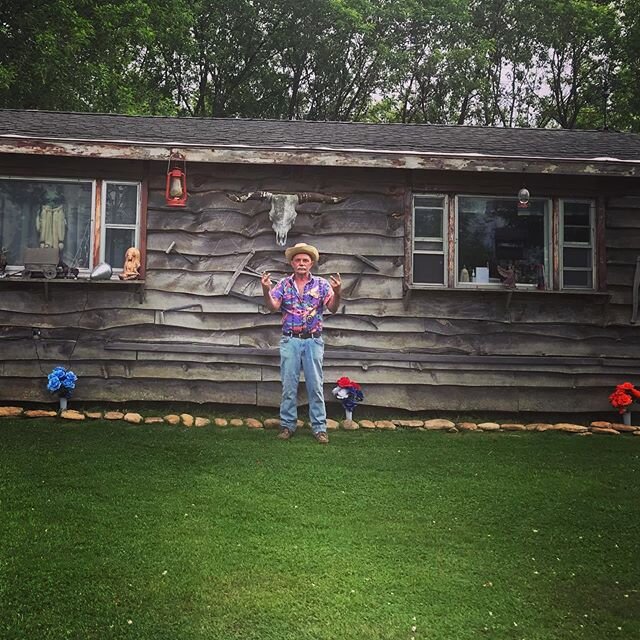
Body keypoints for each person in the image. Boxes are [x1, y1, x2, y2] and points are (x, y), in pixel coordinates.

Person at [261, 242, 341, 444]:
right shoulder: (283, 285)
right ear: (292, 263)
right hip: (290, 340)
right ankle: (287, 426)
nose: (301, 263)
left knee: (315, 385)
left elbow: (332, 307)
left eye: (305, 260)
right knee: (289, 385)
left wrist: (337, 292)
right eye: (298, 260)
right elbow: (272, 307)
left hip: (313, 341)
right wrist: (266, 290)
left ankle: (320, 428)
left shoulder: (322, 285)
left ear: (311, 263)